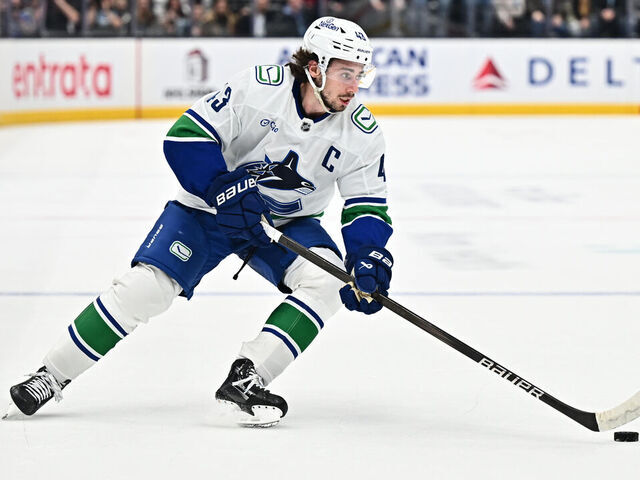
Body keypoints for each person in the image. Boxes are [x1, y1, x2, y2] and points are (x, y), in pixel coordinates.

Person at [4, 16, 394, 428]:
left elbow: (367, 204)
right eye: (346, 74)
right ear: (314, 67)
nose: (355, 87)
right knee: (146, 288)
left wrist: (367, 255)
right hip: (210, 209)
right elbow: (186, 136)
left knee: (329, 280)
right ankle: (51, 374)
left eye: (360, 75)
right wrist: (222, 189)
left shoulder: (362, 133)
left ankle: (248, 378)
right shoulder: (260, 88)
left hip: (285, 223)